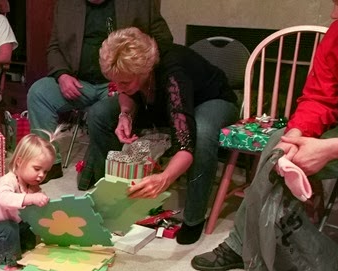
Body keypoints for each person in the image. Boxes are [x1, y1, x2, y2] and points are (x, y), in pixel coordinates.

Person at [191, 0, 338, 271]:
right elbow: (319, 98)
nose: (335, 14)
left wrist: (334, 149)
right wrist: (296, 134)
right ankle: (240, 243)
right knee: (275, 147)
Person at [87, 27, 239, 245]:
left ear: (145, 71)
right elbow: (126, 92)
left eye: (125, 82)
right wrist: (125, 115)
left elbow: (185, 146)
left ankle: (194, 218)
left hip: (212, 100)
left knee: (202, 132)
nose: (118, 87)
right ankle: (110, 198)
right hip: (157, 99)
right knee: (98, 114)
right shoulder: (134, 75)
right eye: (115, 81)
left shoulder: (174, 75)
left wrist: (165, 178)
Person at [26, 0, 174, 181]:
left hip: (121, 84)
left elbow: (163, 41)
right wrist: (62, 75)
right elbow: (54, 47)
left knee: (103, 112)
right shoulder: (65, 5)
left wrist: (135, 72)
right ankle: (48, 163)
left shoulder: (140, 3)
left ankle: (109, 172)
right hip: (79, 82)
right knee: (39, 93)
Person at [0, 134, 56, 269]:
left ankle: (27, 247)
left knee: (27, 225)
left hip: (7, 224)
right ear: (19, 162)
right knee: (9, 229)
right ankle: (4, 259)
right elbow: (5, 199)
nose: (41, 175)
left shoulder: (30, 185)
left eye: (45, 171)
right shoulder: (8, 180)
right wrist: (30, 199)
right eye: (37, 169)